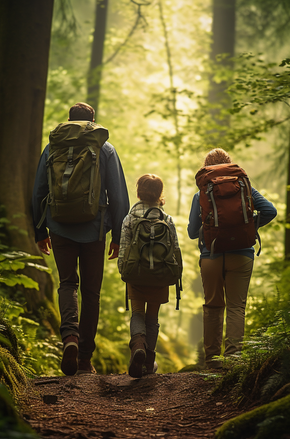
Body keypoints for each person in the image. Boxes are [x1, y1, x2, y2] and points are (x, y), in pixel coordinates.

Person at [32, 102, 129, 376]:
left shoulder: (52, 148)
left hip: (59, 226)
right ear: (92, 122)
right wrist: (119, 236)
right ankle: (85, 359)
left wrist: (40, 231)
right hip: (94, 229)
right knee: (91, 292)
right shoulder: (104, 148)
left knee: (67, 284)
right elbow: (118, 195)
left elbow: (39, 191)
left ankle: (70, 338)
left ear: (68, 120)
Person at [187, 148, 277, 370]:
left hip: (211, 255)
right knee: (237, 307)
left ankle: (212, 362)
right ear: (229, 164)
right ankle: (234, 360)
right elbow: (270, 211)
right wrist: (248, 227)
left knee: (212, 307)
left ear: (206, 167)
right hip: (242, 254)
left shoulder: (201, 194)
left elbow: (191, 232)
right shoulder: (244, 188)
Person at [118, 174, 180, 378]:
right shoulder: (167, 219)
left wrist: (123, 271)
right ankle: (148, 363)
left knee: (137, 313)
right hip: (160, 275)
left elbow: (124, 249)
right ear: (159, 194)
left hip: (136, 273)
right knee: (152, 318)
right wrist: (176, 274)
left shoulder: (130, 218)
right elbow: (175, 250)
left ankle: (138, 346)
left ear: (139, 192)